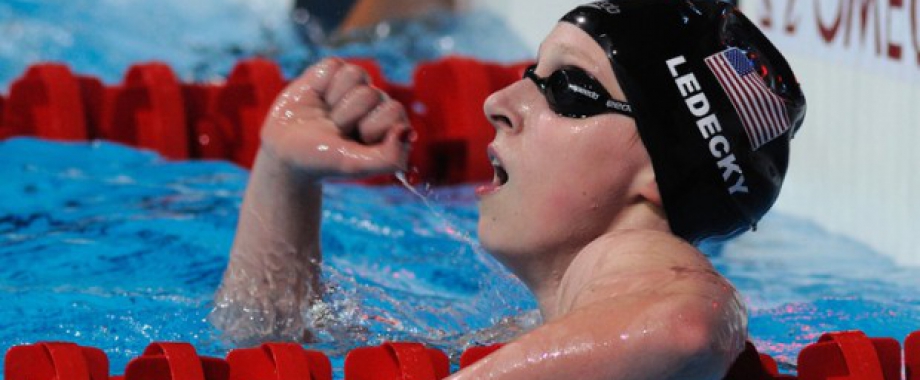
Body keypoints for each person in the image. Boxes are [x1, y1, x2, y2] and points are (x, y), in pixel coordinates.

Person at [211, 0, 806, 378]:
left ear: (660, 170)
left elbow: (688, 326)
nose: (499, 103)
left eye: (568, 88)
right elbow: (272, 342)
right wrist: (284, 176)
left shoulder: (669, 313)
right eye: (531, 75)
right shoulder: (548, 339)